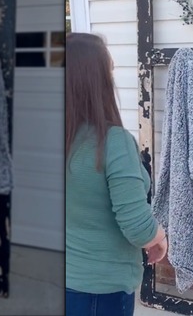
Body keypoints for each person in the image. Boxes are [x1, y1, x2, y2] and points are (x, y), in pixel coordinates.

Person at [65, 32, 168, 316]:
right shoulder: (113, 142)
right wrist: (159, 236)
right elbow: (137, 227)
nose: (113, 75)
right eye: (109, 69)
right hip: (99, 290)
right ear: (95, 80)